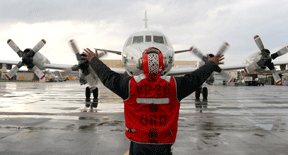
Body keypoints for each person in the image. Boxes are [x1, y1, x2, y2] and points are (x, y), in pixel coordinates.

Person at [82, 47, 224, 155]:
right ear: (163, 64)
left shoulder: (129, 85)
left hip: (138, 143)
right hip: (164, 143)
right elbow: (195, 78)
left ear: (140, 64)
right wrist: (210, 65)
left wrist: (94, 60)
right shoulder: (175, 85)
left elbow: (107, 77)